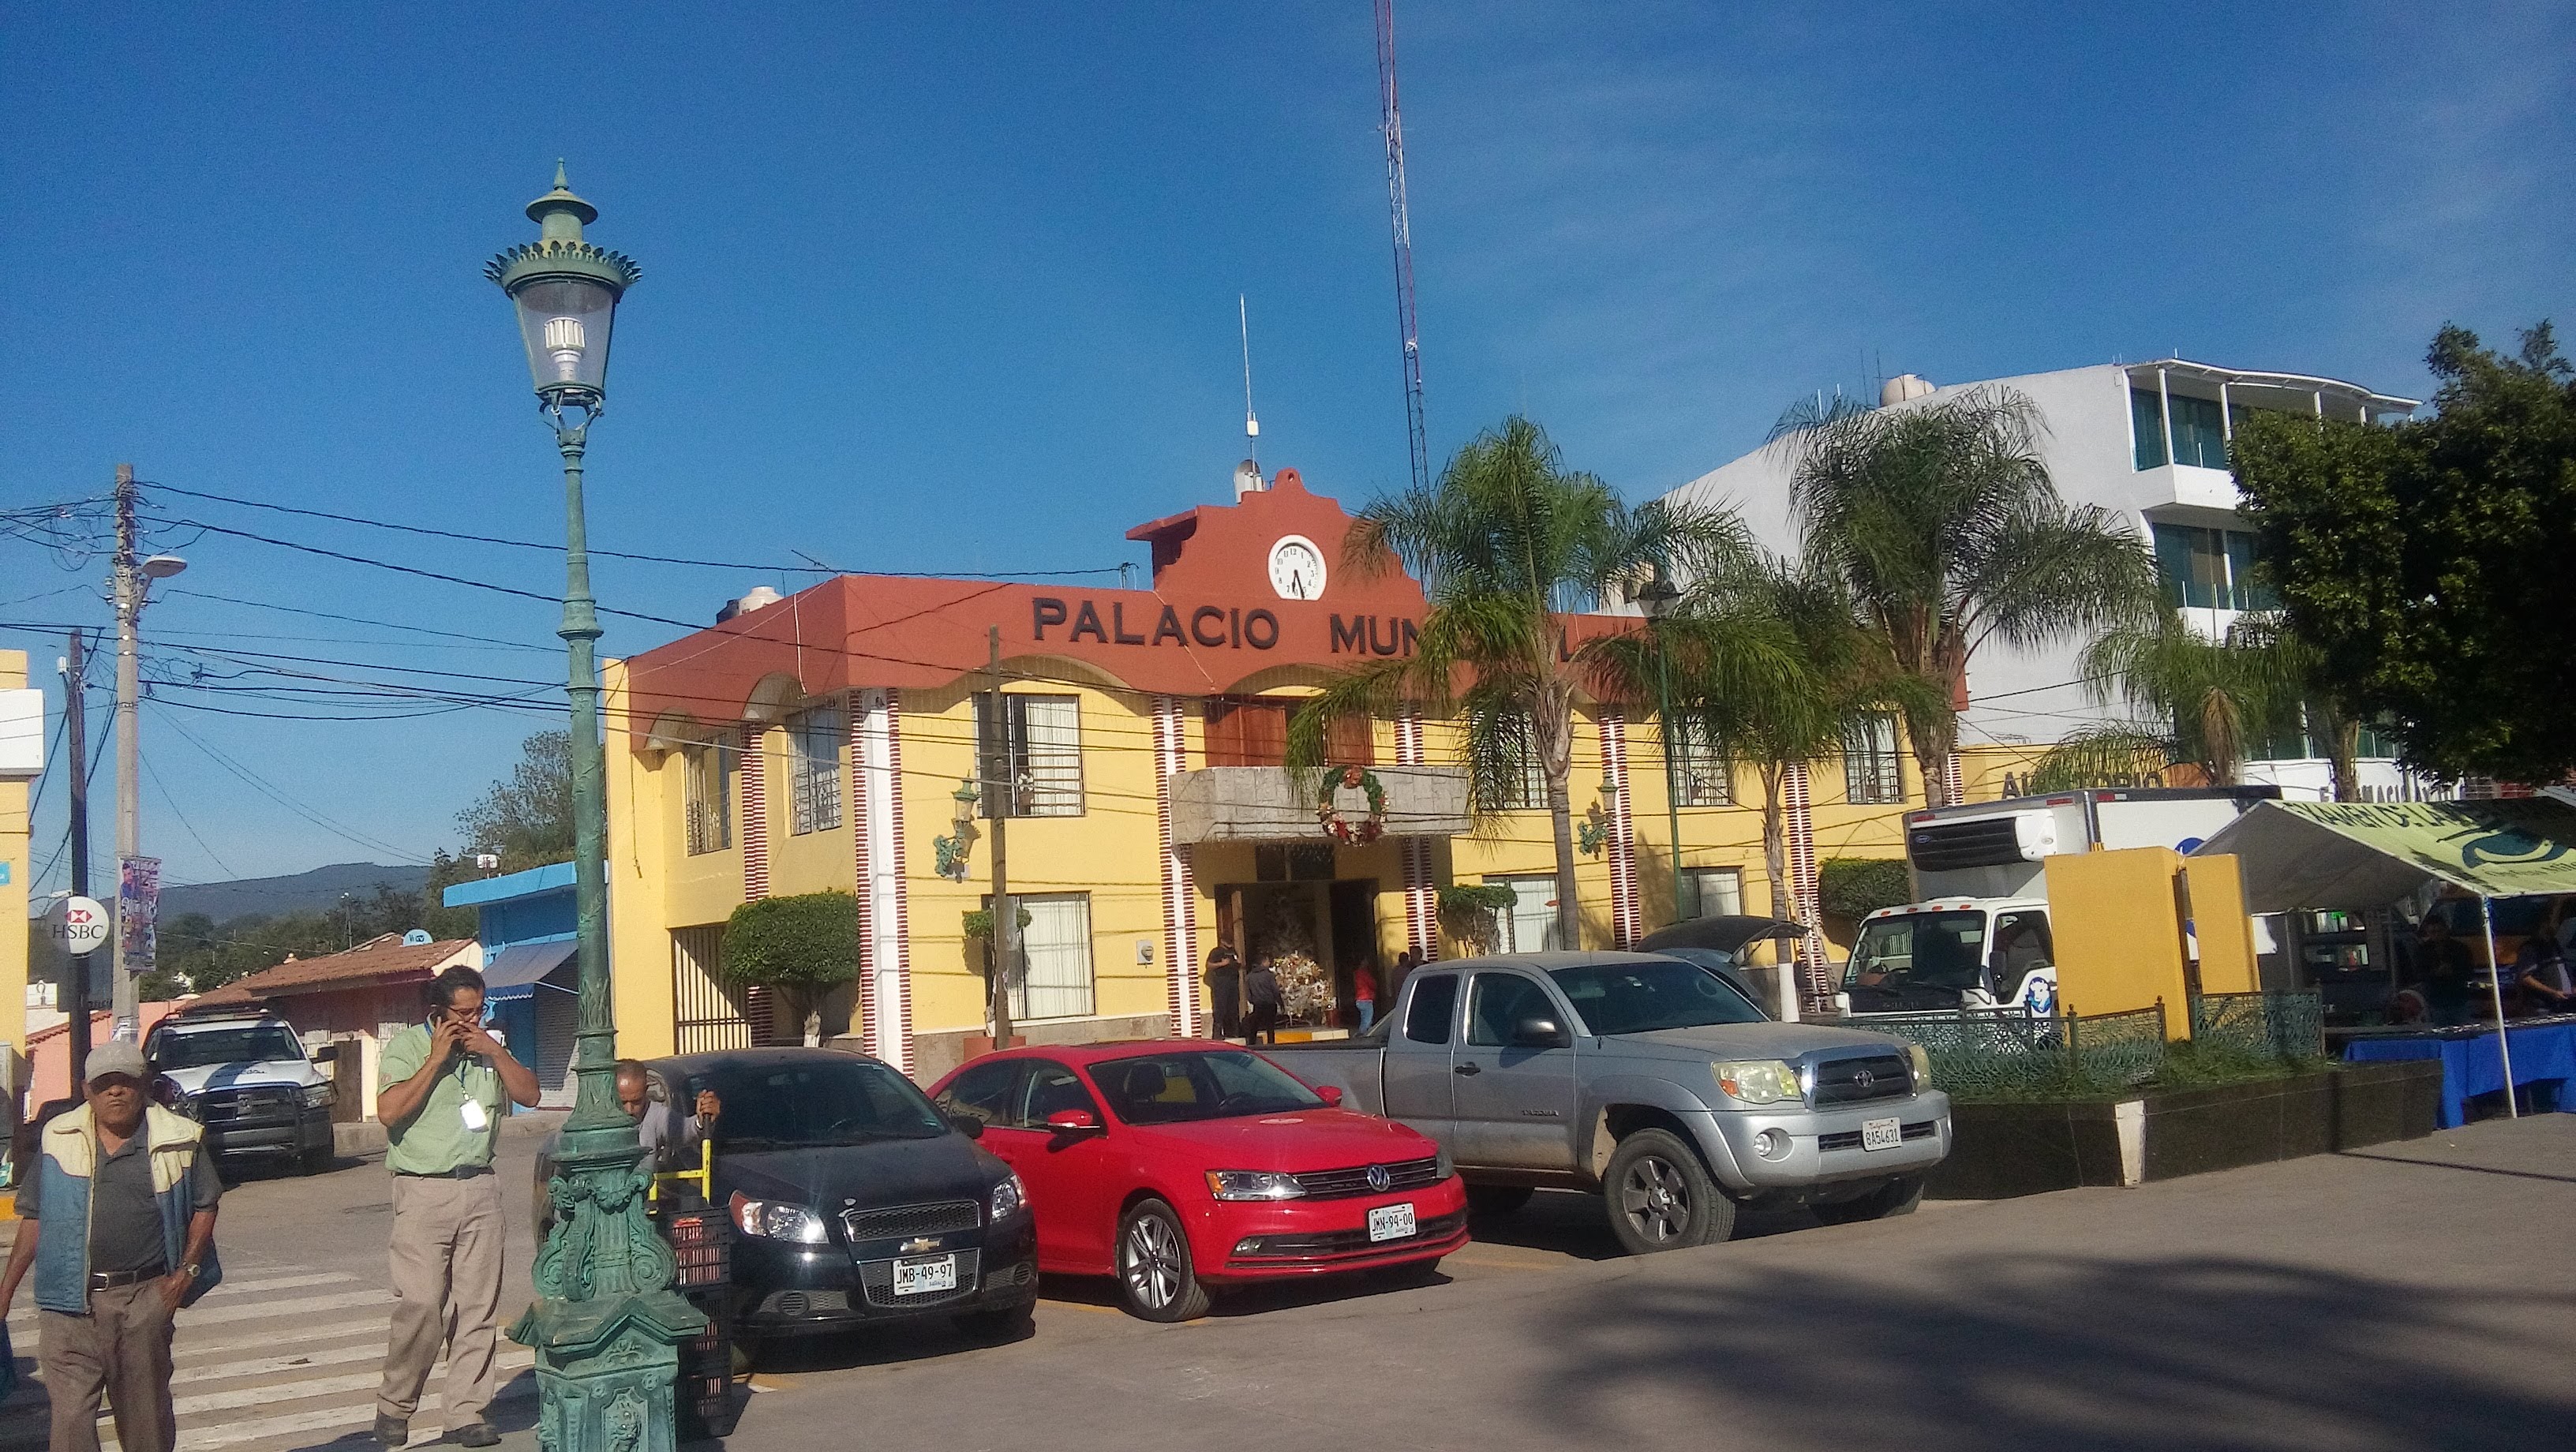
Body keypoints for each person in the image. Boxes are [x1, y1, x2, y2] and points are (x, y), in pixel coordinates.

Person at [0, 1042, 221, 1452]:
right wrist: (5, 1292)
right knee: (69, 1423)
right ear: (87, 1091)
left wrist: (183, 1276)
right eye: (105, 1085)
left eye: (125, 1083)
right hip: (67, 1304)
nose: (115, 1093)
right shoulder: (58, 1137)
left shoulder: (178, 1140)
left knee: (145, 1425)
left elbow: (205, 1205)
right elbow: (34, 1218)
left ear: (145, 1086)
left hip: (142, 1299)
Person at [373, 966, 540, 1450]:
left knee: (478, 1307)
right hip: (423, 1188)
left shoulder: (488, 1050)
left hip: (480, 1186)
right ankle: (396, 1403)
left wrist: (494, 1050)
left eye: (478, 1011)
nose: (471, 1020)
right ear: (437, 1011)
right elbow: (388, 1112)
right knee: (421, 1303)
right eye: (462, 1013)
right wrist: (435, 1059)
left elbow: (530, 1093)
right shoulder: (406, 1047)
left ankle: (466, 1411)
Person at [615, 1059, 722, 1172]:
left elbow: (683, 1130)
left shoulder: (655, 1115)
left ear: (646, 1091)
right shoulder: (598, 1119)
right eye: (623, 1102)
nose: (629, 1110)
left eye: (637, 1102)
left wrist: (702, 1121)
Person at [2410, 916, 2476, 1027]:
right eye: (2432, 932)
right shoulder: (2422, 951)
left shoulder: (2460, 949)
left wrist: (2453, 972)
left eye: (2439, 931)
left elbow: (2469, 972)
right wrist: (2435, 973)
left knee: (2464, 1033)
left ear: (2446, 930)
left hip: (2458, 998)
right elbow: (2418, 974)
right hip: (2436, 1001)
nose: (2436, 935)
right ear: (2427, 932)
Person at [2513, 932, 2574, 1015]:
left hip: (2563, 1005)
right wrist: (2553, 992)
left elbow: (2564, 967)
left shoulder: (2555, 944)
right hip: (2542, 1008)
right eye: (2555, 921)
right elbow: (2525, 977)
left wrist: (2572, 987)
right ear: (2545, 923)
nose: (2558, 926)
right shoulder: (2530, 948)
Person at [1204, 947, 1244, 1040]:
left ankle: (1233, 1032)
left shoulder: (1233, 951)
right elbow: (1209, 965)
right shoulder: (1216, 952)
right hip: (1221, 985)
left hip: (1233, 984)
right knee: (1220, 1010)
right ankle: (1217, 1034)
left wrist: (1238, 962)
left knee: (1233, 1008)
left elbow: (1238, 964)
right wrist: (1222, 964)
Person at [1242, 956, 1283, 1045]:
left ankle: (1252, 1043)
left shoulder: (1250, 976)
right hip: (1270, 1003)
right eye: (1268, 961)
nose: (1269, 963)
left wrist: (1253, 1001)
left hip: (1258, 1005)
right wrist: (1280, 1002)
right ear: (1263, 962)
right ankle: (1271, 1044)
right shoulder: (1269, 975)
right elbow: (1275, 990)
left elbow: (1248, 993)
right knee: (1270, 1026)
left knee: (1255, 1025)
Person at [1353, 960, 1380, 1031]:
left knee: (1364, 1019)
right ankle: (1363, 1035)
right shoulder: (1364, 973)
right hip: (1366, 999)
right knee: (1367, 1021)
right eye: (1365, 961)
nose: (1367, 962)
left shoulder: (1356, 974)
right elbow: (1372, 984)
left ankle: (1362, 1033)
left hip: (1360, 999)